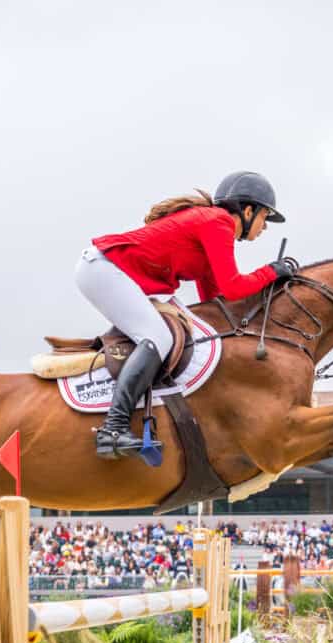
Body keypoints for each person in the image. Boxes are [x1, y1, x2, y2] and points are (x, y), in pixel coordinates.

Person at [78, 171, 290, 459]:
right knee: (158, 337)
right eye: (265, 218)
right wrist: (271, 272)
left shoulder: (214, 230)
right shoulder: (218, 222)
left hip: (110, 271)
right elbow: (234, 285)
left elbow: (218, 302)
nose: (264, 228)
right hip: (103, 269)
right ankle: (112, 429)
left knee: (177, 332)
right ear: (248, 210)